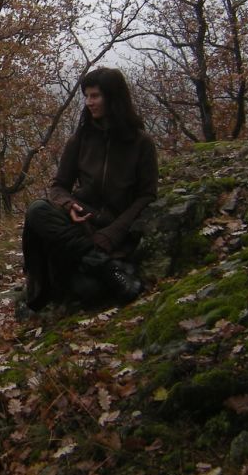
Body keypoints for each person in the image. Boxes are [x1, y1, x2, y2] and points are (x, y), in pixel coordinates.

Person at [21, 67, 158, 313]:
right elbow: (59, 187)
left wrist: (111, 234)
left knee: (88, 290)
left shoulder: (141, 144)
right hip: (81, 223)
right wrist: (68, 205)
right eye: (86, 96)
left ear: (113, 98)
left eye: (95, 96)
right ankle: (106, 268)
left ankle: (90, 266)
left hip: (115, 230)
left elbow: (146, 196)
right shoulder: (81, 139)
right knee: (37, 211)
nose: (89, 102)